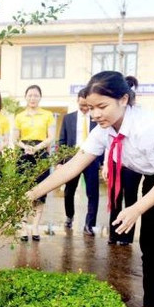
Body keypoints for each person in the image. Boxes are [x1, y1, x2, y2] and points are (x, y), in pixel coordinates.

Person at [27, 71, 154, 307]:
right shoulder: (104, 130)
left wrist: (135, 208)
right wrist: (32, 193)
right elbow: (75, 165)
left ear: (124, 99)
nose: (96, 114)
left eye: (102, 106)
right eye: (90, 108)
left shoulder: (147, 128)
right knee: (149, 243)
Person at [12, 85, 56, 241]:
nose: (32, 98)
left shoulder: (47, 115)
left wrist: (37, 147)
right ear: (25, 97)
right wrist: (25, 147)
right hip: (23, 154)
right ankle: (24, 227)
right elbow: (15, 139)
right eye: (30, 95)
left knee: (40, 191)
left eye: (36, 95)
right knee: (24, 190)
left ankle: (36, 226)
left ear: (40, 97)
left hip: (41, 153)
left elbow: (51, 137)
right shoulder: (19, 116)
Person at [104, 76, 142, 246]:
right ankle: (113, 234)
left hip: (133, 164)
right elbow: (107, 144)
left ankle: (126, 235)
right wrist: (106, 164)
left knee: (131, 199)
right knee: (114, 198)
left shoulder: (139, 120)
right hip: (114, 162)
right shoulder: (110, 121)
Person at [59, 89, 99, 236]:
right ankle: (69, 216)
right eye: (82, 105)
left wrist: (101, 162)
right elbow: (62, 140)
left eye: (87, 105)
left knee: (92, 193)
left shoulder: (97, 119)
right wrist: (60, 161)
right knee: (69, 191)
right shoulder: (68, 118)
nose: (85, 108)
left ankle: (89, 224)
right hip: (72, 160)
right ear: (77, 101)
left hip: (91, 160)